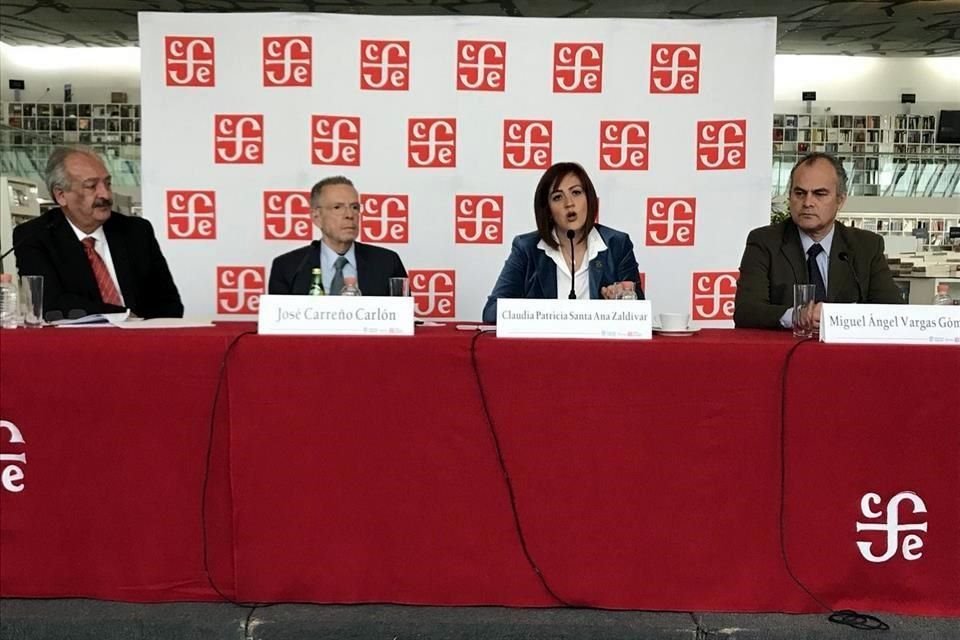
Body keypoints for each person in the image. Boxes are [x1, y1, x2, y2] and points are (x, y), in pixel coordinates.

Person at [734, 152, 903, 330]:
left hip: (849, 355)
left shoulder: (866, 246)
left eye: (819, 194)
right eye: (799, 193)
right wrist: (794, 316)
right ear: (790, 197)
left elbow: (893, 311)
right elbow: (746, 311)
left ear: (840, 200)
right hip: (785, 353)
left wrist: (841, 316)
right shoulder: (764, 242)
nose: (808, 202)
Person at [14, 146, 183, 319]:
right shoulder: (34, 236)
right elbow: (50, 303)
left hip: (142, 341)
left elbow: (170, 305)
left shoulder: (136, 231)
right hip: (76, 343)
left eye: (107, 184)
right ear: (61, 195)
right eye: (91, 186)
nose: (105, 194)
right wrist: (124, 317)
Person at [482, 162, 644, 324]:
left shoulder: (617, 245)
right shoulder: (527, 249)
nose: (569, 203)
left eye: (576, 192)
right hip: (544, 347)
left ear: (589, 199)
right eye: (558, 197)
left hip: (600, 348)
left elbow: (639, 314)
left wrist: (621, 302)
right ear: (548, 210)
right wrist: (544, 313)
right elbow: (492, 312)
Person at [268, 176, 407, 296]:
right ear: (316, 217)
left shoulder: (387, 263)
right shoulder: (288, 267)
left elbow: (403, 319)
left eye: (354, 207)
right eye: (337, 207)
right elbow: (278, 322)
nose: (349, 215)